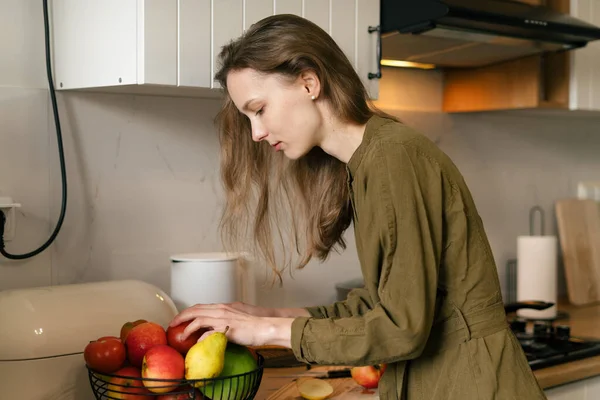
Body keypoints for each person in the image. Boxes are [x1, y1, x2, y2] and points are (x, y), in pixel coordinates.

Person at [169, 14, 547, 399]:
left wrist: (267, 333)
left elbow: (402, 327)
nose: (256, 133)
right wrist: (268, 316)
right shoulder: (367, 163)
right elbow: (383, 302)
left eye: (259, 109)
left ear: (309, 82)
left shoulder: (392, 157)